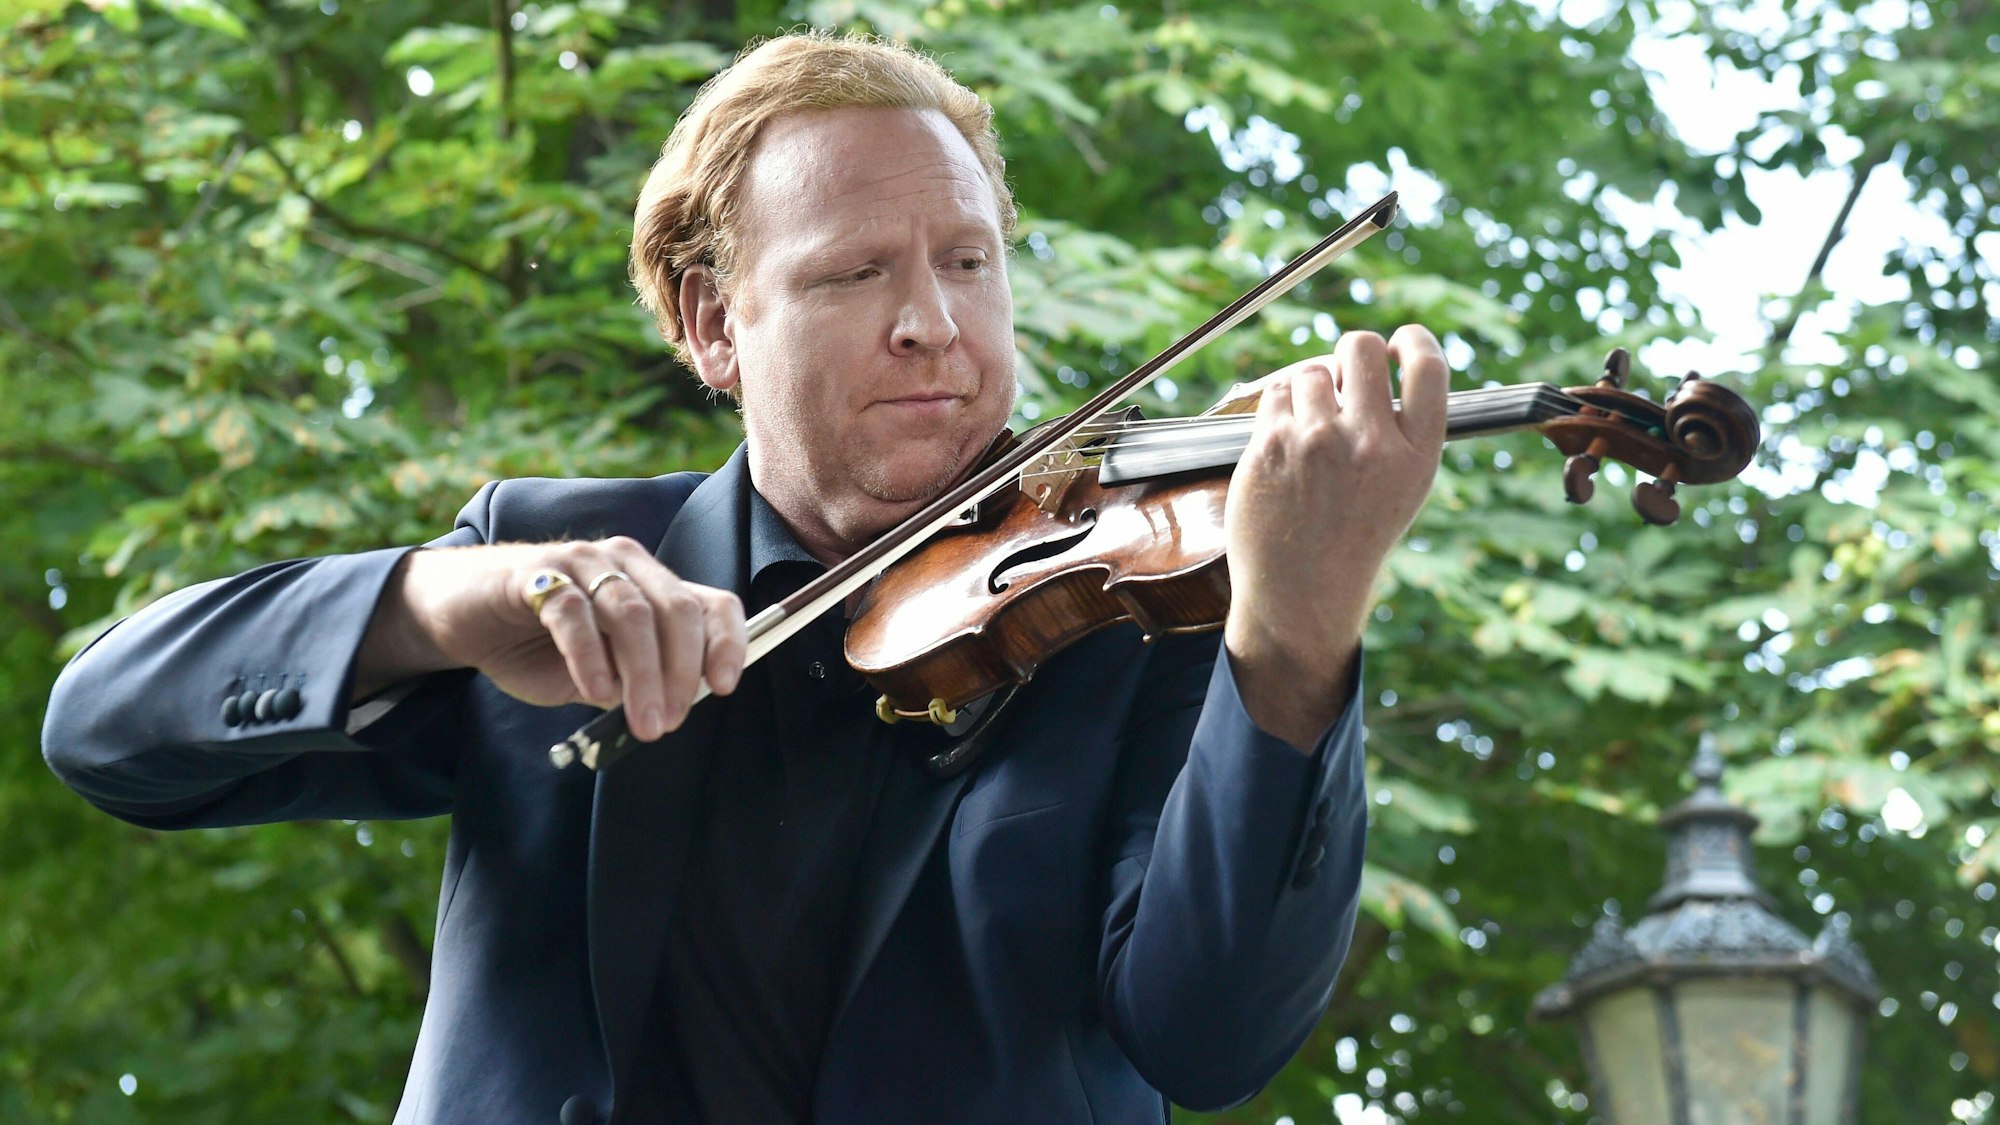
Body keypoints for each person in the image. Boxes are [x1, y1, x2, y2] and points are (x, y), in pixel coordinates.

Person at [42, 30, 1447, 1125]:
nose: (934, 324)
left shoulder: (1147, 617)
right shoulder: (566, 568)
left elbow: (1213, 1035)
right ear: (716, 325)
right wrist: (437, 603)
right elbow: (105, 733)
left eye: (969, 260)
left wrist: (1301, 629)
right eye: (856, 274)